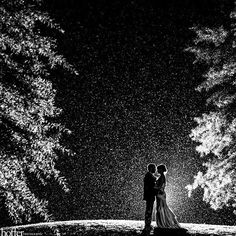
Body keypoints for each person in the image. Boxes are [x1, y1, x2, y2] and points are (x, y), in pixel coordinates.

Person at [155, 164, 181, 228]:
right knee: (162, 207)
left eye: (158, 169)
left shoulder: (162, 177)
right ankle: (164, 222)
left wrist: (153, 187)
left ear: (161, 170)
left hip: (160, 194)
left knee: (160, 208)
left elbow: (160, 186)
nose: (157, 170)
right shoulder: (162, 176)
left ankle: (163, 223)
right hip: (160, 194)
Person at [143, 163, 158, 234]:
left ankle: (148, 224)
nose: (155, 169)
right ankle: (147, 224)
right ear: (151, 168)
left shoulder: (149, 175)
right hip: (150, 196)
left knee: (149, 209)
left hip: (150, 195)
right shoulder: (148, 175)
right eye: (154, 168)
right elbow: (148, 187)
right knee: (149, 209)